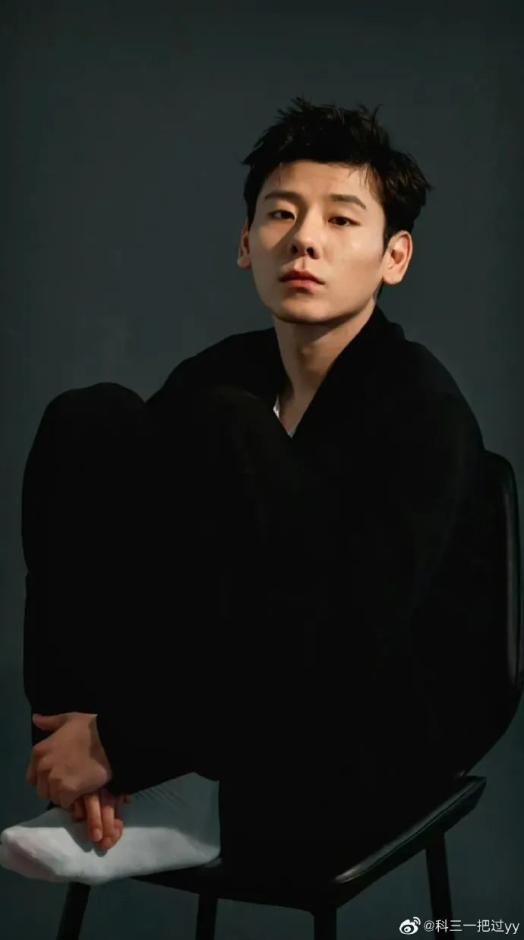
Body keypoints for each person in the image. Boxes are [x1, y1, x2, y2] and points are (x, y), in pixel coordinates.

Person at [0, 97, 492, 885]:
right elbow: (128, 552)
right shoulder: (223, 374)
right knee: (90, 421)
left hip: (374, 731)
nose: (304, 239)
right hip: (220, 719)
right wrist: (96, 729)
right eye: (281, 214)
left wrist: (130, 739)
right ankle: (95, 783)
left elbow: (350, 648)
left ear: (394, 257)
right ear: (245, 243)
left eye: (341, 220)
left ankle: (165, 785)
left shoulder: (422, 409)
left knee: (222, 424)